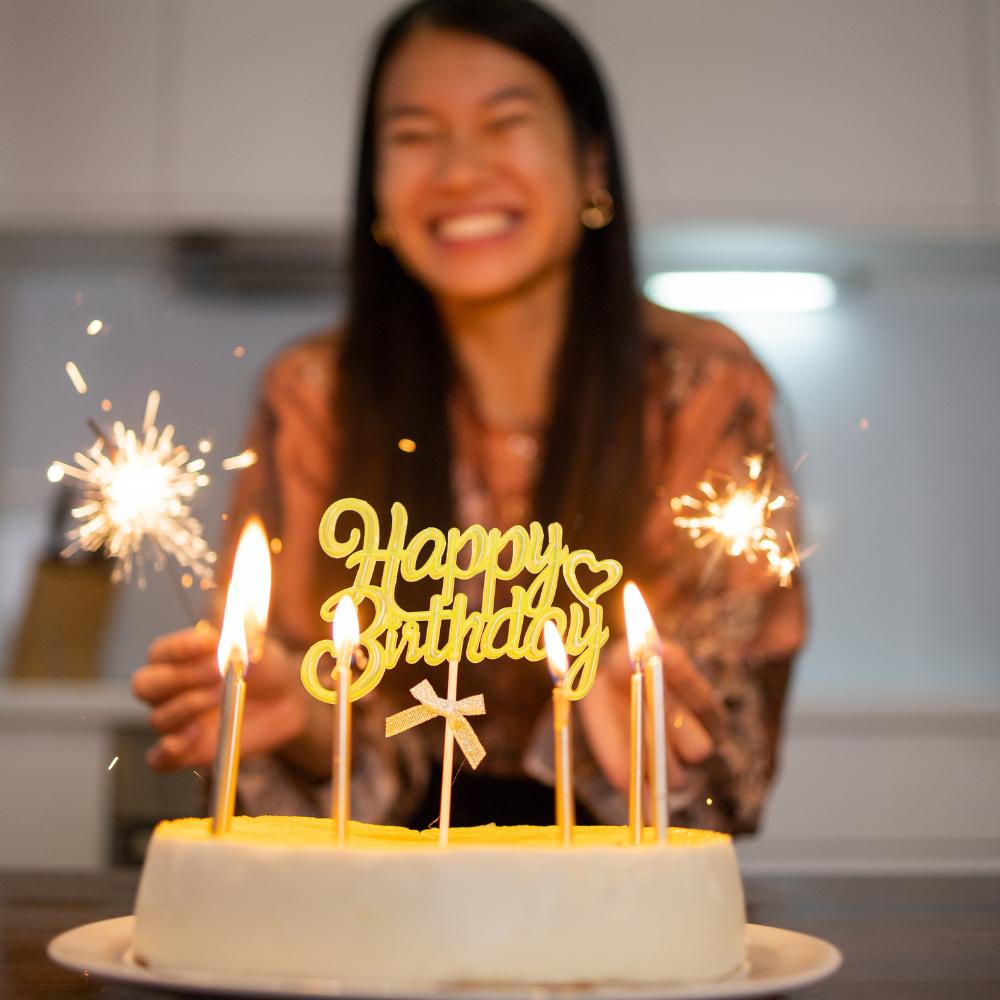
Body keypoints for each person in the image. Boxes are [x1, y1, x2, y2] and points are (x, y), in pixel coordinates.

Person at [133, 0, 805, 834]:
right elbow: (330, 726)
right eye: (415, 135)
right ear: (375, 184)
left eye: (505, 123)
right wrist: (303, 725)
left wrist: (657, 733)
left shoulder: (702, 390)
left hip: (613, 914)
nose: (457, 171)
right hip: (369, 918)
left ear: (593, 165)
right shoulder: (316, 396)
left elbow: (730, 779)